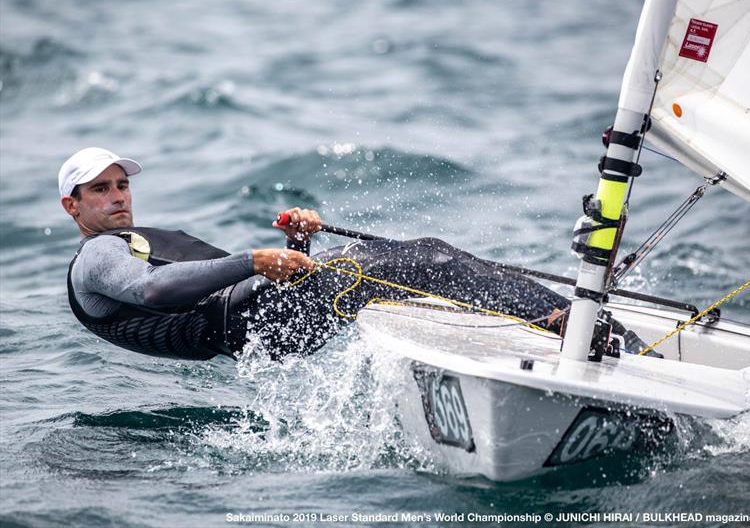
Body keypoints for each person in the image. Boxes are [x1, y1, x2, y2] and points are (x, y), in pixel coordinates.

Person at [60, 147, 651, 362]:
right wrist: (257, 260)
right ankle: (582, 327)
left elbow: (233, 287)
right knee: (412, 262)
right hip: (256, 330)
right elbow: (156, 293)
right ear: (73, 206)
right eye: (100, 190)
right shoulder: (95, 261)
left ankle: (551, 321)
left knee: (418, 256)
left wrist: (297, 246)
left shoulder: (137, 237)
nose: (117, 197)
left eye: (121, 185)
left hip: (266, 315)